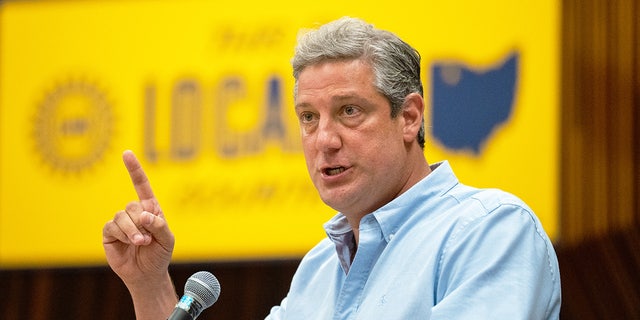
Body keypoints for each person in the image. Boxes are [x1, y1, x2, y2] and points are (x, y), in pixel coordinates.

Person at [102, 17, 561, 319]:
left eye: (349, 111)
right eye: (308, 117)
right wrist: (149, 285)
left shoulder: (490, 230)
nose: (325, 139)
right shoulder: (318, 272)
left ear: (409, 117)